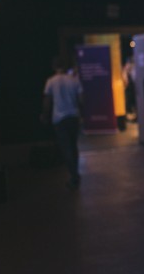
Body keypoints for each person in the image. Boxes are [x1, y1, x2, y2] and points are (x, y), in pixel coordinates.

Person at [40, 57, 84, 190]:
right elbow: (81, 99)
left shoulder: (51, 81)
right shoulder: (74, 80)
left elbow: (47, 101)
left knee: (66, 148)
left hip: (59, 119)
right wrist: (81, 114)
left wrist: (45, 116)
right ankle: (75, 172)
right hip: (74, 116)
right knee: (73, 146)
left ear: (54, 66)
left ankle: (73, 176)